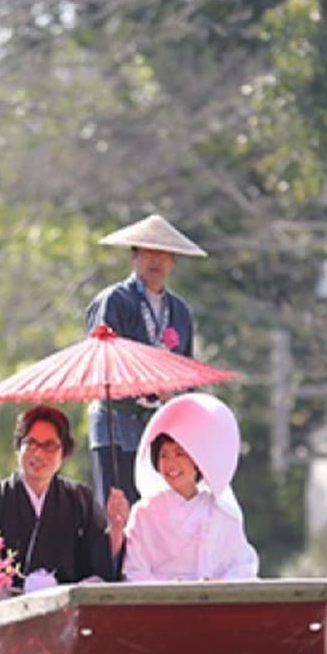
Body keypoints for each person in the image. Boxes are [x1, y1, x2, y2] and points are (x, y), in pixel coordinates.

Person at [0, 405, 122, 614]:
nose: (38, 453)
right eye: (31, 443)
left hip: (63, 613)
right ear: (18, 448)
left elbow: (100, 562)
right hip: (5, 614)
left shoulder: (79, 499)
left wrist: (116, 527)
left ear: (63, 453)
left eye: (49, 445)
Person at [85, 213, 207, 507]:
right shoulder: (115, 301)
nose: (156, 261)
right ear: (134, 256)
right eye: (148, 253)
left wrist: (180, 406)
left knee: (160, 509)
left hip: (161, 427)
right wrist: (150, 385)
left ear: (173, 261)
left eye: (164, 254)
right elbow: (103, 361)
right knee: (118, 508)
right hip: (116, 421)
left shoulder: (180, 311)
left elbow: (187, 371)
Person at [114, 392, 259, 582]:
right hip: (159, 599)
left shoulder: (220, 512)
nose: (170, 463)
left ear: (198, 458)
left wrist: (221, 583)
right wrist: (170, 590)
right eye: (164, 455)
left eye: (179, 453)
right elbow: (134, 571)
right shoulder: (144, 512)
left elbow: (244, 566)